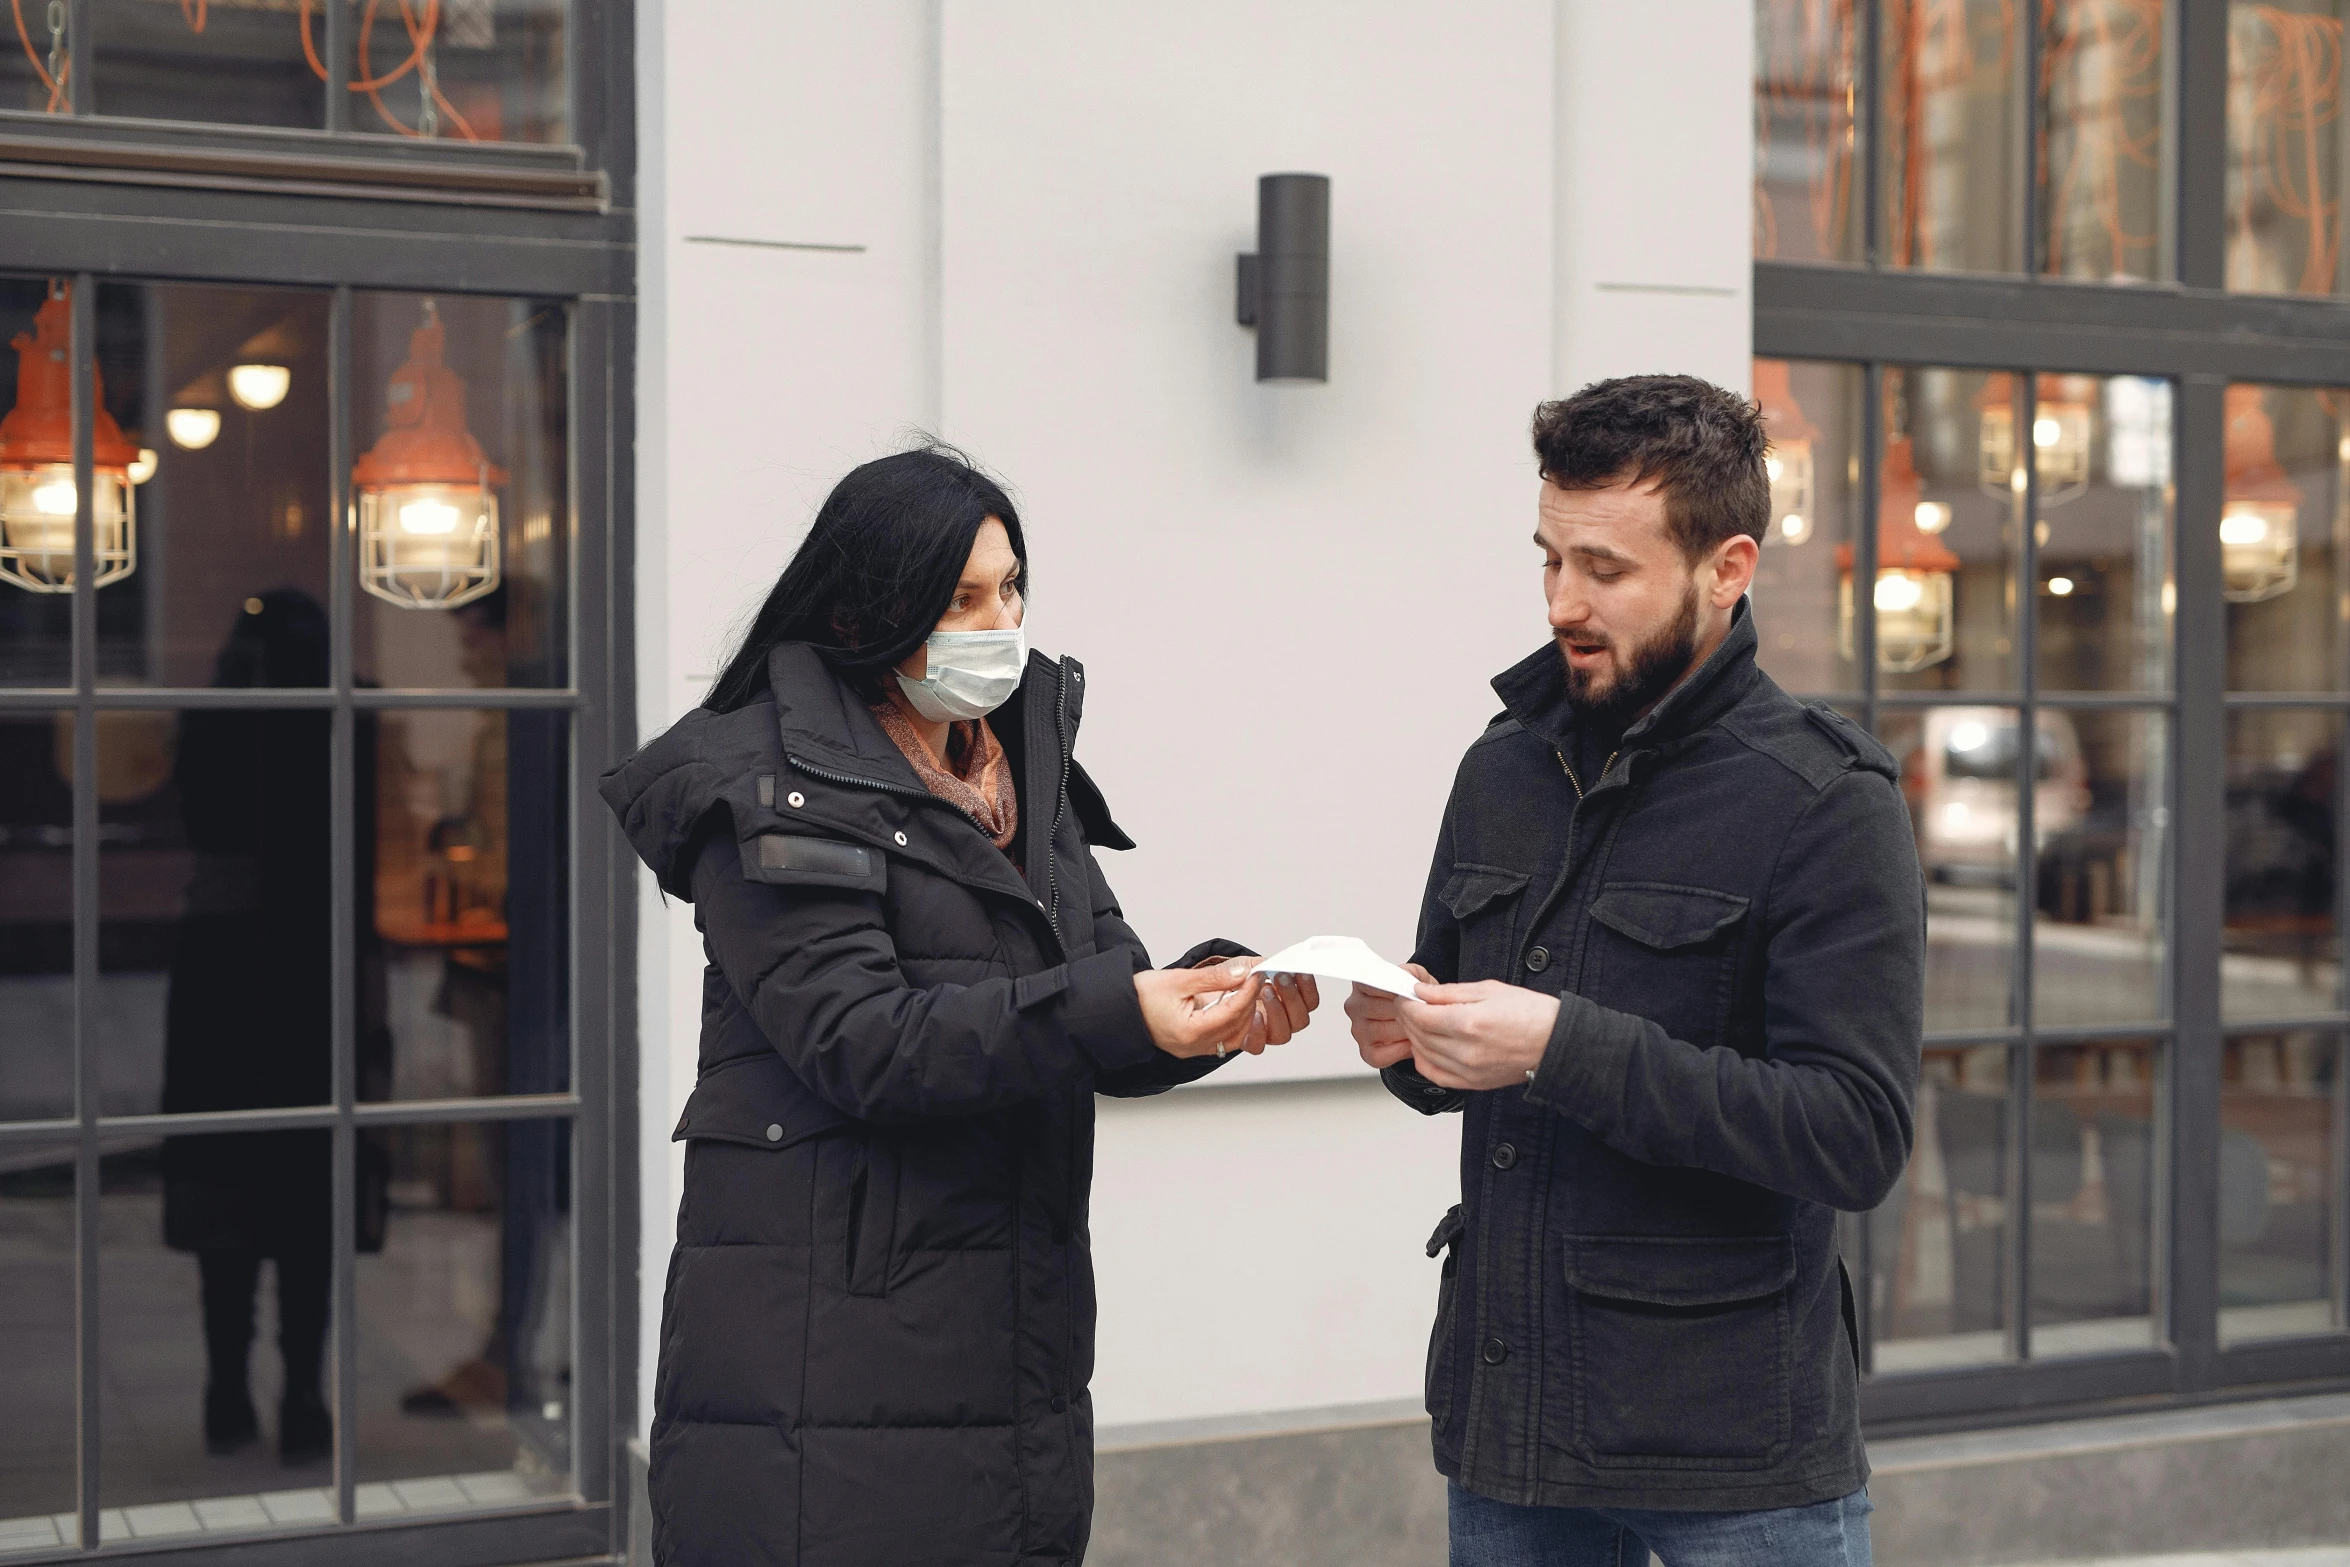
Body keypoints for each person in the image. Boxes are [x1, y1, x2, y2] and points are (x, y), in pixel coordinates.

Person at [601, 444, 1317, 1566]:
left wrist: (1210, 1003)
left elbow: (1097, 989)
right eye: (961, 598)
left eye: (1011, 587)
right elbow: (862, 1042)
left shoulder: (1017, 767)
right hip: (833, 1359)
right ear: (863, 609)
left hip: (1009, 1339)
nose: (999, 622)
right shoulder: (769, 790)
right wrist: (1121, 1009)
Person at [1347, 376, 1923, 1566]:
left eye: (1605, 569)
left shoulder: (1825, 800)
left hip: (1736, 1453)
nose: (1564, 600)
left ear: (1727, 568)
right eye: (1550, 560)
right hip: (1512, 1426)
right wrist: (1410, 1040)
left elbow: (1853, 1132)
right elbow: (1472, 1045)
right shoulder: (1498, 770)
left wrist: (1560, 1046)